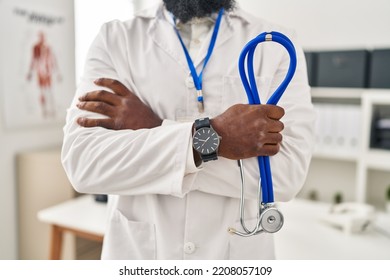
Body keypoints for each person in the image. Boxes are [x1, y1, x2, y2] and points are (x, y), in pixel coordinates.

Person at [61, 0, 315, 259]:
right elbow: (85, 163)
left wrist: (157, 128)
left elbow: (286, 174)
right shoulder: (115, 39)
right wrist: (215, 137)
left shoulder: (276, 46)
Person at [27, 31, 61, 118]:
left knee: (49, 91)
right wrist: (30, 72)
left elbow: (53, 59)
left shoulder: (48, 47)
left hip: (48, 72)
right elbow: (33, 60)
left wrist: (57, 72)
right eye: (40, 36)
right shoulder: (36, 47)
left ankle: (52, 109)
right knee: (42, 91)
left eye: (43, 36)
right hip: (40, 72)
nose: (42, 38)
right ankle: (44, 111)